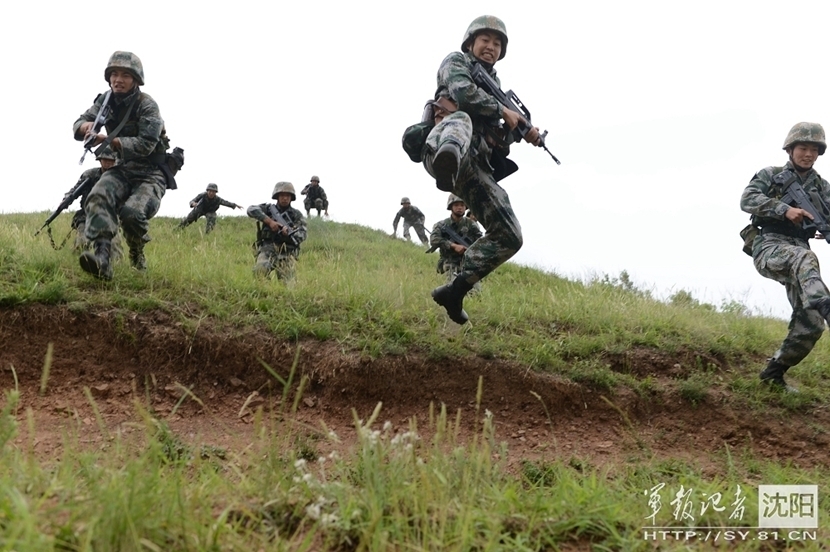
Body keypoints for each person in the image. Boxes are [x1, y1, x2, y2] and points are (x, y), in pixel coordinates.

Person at [406, 15, 542, 324]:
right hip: (442, 145)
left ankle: (455, 290)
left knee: (510, 235)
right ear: (471, 42)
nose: (491, 47)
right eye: (485, 40)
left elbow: (499, 138)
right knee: (462, 119)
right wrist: (501, 110)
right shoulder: (457, 62)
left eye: (497, 44)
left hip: (473, 168)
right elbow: (465, 95)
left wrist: (522, 131)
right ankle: (447, 165)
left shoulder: (497, 90)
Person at [740, 122, 830, 392]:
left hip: (800, 253)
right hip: (769, 247)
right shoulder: (772, 174)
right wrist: (783, 209)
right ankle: (826, 304)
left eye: (814, 150)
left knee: (813, 323)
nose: (809, 155)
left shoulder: (822, 188)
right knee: (805, 259)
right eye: (803, 148)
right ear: (790, 149)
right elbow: (747, 199)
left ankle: (774, 372)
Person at [72, 50, 174, 279]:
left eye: (125, 75)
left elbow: (146, 143)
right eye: (114, 74)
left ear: (136, 79)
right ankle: (103, 258)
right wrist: (86, 127)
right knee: (98, 196)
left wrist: (107, 140)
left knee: (131, 214)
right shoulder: (105, 100)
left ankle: (137, 254)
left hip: (150, 172)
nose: (118, 79)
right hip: (122, 168)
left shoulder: (147, 105)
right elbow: (78, 123)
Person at [66, 147, 123, 260]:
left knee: (114, 245)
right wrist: (67, 199)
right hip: (87, 216)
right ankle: (78, 265)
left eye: (111, 161)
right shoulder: (90, 175)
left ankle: (113, 269)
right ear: (100, 160)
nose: (108, 163)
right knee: (82, 242)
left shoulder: (120, 178)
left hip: (111, 217)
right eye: (105, 160)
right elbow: (75, 190)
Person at [248, 181, 307, 282]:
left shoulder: (296, 214)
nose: (285, 198)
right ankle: (266, 293)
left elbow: (302, 234)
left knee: (289, 284)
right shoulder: (268, 209)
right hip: (268, 248)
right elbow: (251, 210)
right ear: (277, 196)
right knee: (260, 271)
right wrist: (270, 222)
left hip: (287, 251)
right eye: (282, 195)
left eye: (287, 196)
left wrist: (288, 233)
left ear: (291, 198)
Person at [430, 194, 483, 291]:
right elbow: (434, 240)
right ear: (451, 207)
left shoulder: (471, 224)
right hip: (449, 262)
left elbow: (481, 241)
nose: (460, 208)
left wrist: (472, 250)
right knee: (453, 290)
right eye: (456, 205)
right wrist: (453, 246)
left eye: (462, 205)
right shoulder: (441, 225)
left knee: (476, 293)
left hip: (468, 263)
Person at [176, 183, 241, 234]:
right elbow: (192, 201)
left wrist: (235, 205)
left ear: (215, 192)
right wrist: (193, 204)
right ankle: (177, 230)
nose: (211, 193)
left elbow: (225, 202)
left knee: (212, 220)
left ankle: (208, 235)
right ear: (207, 191)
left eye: (213, 192)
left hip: (210, 211)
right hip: (199, 210)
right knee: (187, 220)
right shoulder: (202, 195)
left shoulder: (217, 199)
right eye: (210, 191)